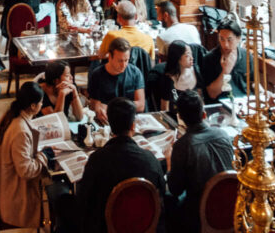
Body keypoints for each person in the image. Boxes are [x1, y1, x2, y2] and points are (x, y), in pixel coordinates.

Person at [76, 97, 166, 233]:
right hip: (144, 225)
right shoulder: (150, 159)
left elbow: (84, 200)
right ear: (133, 126)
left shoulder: (97, 159)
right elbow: (161, 195)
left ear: (110, 124)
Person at [166, 89, 234, 232]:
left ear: (181, 119)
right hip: (230, 205)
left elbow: (175, 189)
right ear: (204, 114)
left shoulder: (182, 146)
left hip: (200, 213)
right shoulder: (223, 135)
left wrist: (169, 162)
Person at [0, 81, 47, 229]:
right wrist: (43, 157)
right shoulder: (21, 131)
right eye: (41, 103)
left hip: (4, 181)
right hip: (13, 193)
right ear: (33, 106)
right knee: (53, 190)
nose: (42, 105)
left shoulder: (13, 116)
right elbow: (26, 171)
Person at [88, 37, 146, 119]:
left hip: (129, 118)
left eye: (126, 60)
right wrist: (99, 109)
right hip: (107, 119)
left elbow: (141, 106)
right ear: (109, 57)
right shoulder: (97, 75)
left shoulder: (135, 72)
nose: (124, 65)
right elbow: (94, 105)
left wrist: (111, 108)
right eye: (120, 61)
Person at [201, 17, 249, 101]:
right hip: (221, 105)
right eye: (221, 39)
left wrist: (261, 90)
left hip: (243, 102)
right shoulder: (209, 59)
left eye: (229, 40)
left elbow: (253, 82)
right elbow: (212, 94)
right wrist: (225, 71)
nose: (225, 44)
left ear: (239, 38)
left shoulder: (246, 56)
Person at [158, 41, 203, 112]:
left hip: (195, 117)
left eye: (191, 54)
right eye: (187, 55)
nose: (192, 58)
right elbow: (164, 109)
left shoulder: (196, 71)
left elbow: (201, 101)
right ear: (177, 58)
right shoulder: (168, 79)